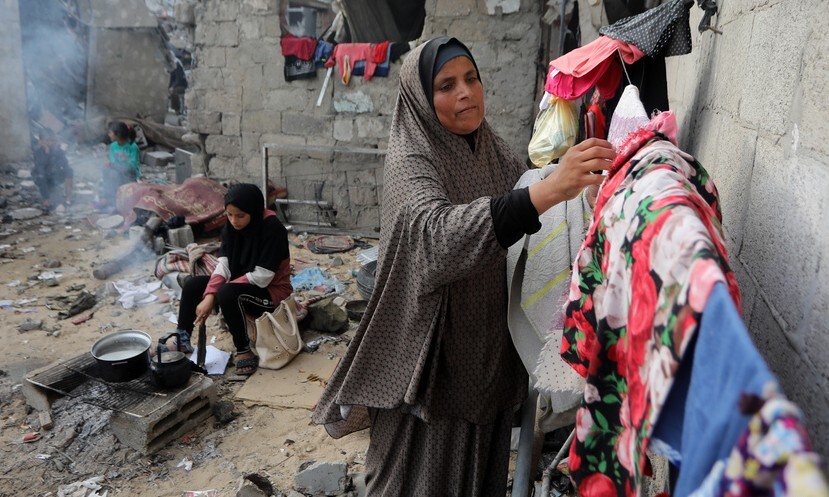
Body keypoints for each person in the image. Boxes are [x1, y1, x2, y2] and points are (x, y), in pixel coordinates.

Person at [311, 37, 616, 495]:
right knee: (414, 482)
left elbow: (527, 202)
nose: (466, 93)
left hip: (485, 360)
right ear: (420, 98)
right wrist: (552, 188)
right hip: (430, 362)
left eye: (471, 78)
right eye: (446, 85)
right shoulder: (411, 160)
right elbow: (434, 239)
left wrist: (584, 195)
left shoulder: (489, 147)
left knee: (478, 478)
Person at [161, 183, 293, 377]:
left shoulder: (273, 229)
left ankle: (243, 349)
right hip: (242, 285)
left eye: (240, 215)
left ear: (254, 212)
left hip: (272, 293)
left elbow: (263, 277)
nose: (234, 221)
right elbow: (223, 265)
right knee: (193, 284)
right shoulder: (231, 227)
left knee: (226, 292)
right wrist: (209, 295)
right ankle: (182, 336)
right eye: (229, 215)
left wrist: (214, 296)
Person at [101, 121, 140, 210]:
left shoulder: (133, 147)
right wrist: (110, 163)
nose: (109, 135)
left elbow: (133, 167)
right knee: (107, 170)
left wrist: (126, 159)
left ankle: (116, 202)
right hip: (117, 171)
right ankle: (108, 197)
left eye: (110, 132)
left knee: (114, 175)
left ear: (117, 134)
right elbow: (113, 161)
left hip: (129, 175)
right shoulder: (113, 146)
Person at [32, 129, 73, 209]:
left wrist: (55, 154)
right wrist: (47, 155)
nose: (51, 143)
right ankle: (46, 199)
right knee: (41, 174)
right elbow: (40, 168)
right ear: (41, 142)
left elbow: (64, 165)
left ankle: (68, 198)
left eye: (53, 140)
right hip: (42, 178)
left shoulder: (59, 151)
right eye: (48, 141)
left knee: (69, 171)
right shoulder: (38, 153)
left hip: (55, 176)